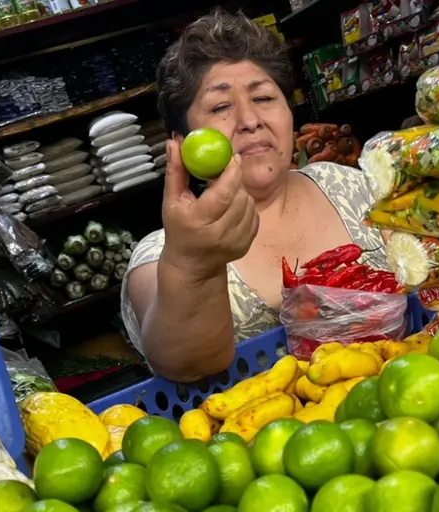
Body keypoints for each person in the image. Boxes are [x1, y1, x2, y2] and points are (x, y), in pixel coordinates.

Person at [121, 10, 387, 382]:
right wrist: (193, 264)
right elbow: (185, 363)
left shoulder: (352, 187)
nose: (249, 120)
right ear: (182, 145)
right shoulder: (165, 253)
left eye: (263, 97)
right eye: (220, 107)